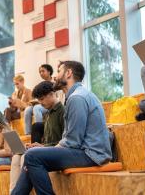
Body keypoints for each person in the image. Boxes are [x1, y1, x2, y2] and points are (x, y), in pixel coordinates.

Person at [12, 61, 112, 195]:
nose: (55, 76)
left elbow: (73, 141)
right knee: (31, 159)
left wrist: (49, 149)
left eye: (59, 71)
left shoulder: (77, 98)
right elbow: (70, 140)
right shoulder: (75, 96)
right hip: (84, 151)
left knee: (32, 156)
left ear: (68, 73)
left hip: (91, 154)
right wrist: (46, 149)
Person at [9, 81, 64, 192]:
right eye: (38, 100)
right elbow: (51, 140)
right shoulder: (48, 113)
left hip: (60, 151)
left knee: (28, 156)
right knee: (16, 157)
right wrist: (40, 145)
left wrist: (43, 147)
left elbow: (65, 141)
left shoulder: (62, 111)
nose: (40, 103)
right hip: (50, 149)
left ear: (52, 94)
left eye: (42, 99)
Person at [23, 64, 53, 135]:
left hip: (50, 105)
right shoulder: (41, 84)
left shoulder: (54, 82)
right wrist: (34, 101)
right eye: (40, 72)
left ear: (49, 72)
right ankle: (28, 134)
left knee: (36, 108)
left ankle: (40, 133)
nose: (41, 73)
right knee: (27, 109)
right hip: (41, 104)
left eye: (43, 71)